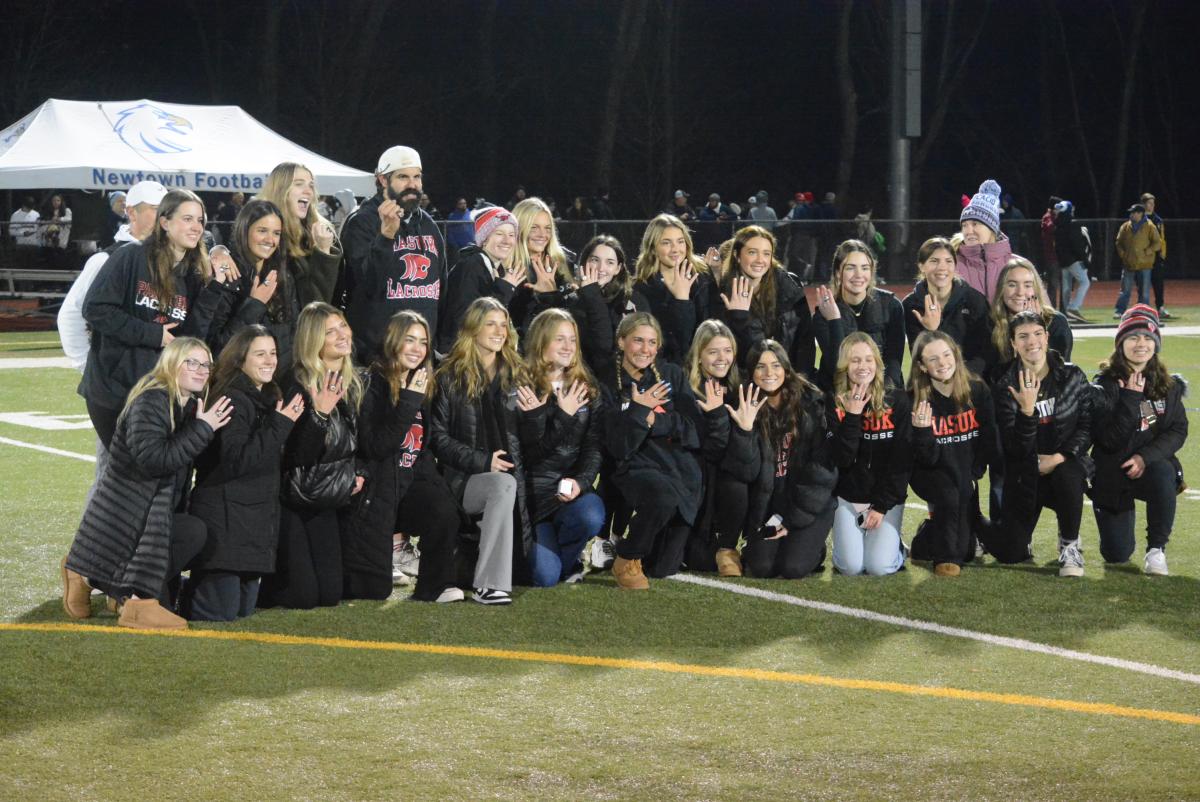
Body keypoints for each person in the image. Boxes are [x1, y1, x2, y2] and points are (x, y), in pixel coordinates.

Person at [61, 338, 232, 629]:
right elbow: (153, 460)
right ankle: (95, 579)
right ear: (171, 363)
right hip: (128, 512)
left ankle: (104, 583)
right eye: (192, 362)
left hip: (154, 514)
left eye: (206, 364)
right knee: (188, 535)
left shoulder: (187, 403)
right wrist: (203, 429)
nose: (202, 370)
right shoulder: (152, 399)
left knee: (193, 532)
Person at [81, 189, 229, 449]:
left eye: (200, 221)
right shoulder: (130, 257)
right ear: (164, 222)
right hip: (115, 391)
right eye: (187, 219)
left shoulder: (192, 276)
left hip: (158, 393)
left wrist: (214, 288)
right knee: (127, 477)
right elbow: (96, 308)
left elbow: (189, 338)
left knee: (153, 475)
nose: (196, 227)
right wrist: (153, 334)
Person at [340, 311, 464, 602]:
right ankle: (390, 554)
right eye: (409, 340)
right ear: (393, 341)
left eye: (423, 342)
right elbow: (375, 446)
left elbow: (421, 446)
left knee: (443, 509)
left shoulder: (422, 383)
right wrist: (408, 400)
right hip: (376, 490)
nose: (417, 349)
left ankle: (435, 587)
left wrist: (436, 487)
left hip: (408, 481)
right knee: (372, 591)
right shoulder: (371, 383)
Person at [183, 326, 305, 620]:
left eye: (273, 353)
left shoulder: (264, 395)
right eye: (260, 354)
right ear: (240, 360)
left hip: (251, 519)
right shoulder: (232, 399)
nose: (269, 360)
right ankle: (161, 593)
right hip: (225, 516)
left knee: (241, 611)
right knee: (218, 613)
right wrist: (281, 424)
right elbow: (237, 460)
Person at [58, 180, 168, 502]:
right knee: (113, 480)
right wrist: (89, 368)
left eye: (166, 211)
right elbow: (71, 315)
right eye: (153, 210)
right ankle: (92, 550)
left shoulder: (170, 259)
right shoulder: (107, 259)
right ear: (130, 212)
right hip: (117, 391)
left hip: (157, 388)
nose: (161, 218)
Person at [259, 303, 364, 610]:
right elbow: (293, 456)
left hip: (324, 498)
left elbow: (360, 445)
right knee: (302, 597)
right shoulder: (295, 382)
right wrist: (319, 414)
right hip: (291, 499)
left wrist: (358, 475)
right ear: (314, 341)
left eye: (342, 326)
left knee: (331, 595)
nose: (341, 335)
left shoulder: (352, 380)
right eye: (330, 332)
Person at [429, 297, 533, 604]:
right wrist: (482, 461)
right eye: (491, 324)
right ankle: (490, 585)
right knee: (503, 483)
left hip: (514, 484)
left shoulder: (518, 373)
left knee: (540, 572)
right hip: (464, 480)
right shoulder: (449, 375)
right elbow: (437, 438)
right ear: (473, 329)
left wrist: (538, 416)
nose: (499, 331)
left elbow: (531, 440)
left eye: (503, 325)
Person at [599, 313, 703, 588]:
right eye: (638, 341)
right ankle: (627, 556)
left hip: (678, 470)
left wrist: (655, 420)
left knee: (662, 568)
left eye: (652, 343)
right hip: (635, 468)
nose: (645, 349)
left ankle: (634, 538)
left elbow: (693, 430)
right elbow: (619, 446)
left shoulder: (671, 375)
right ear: (621, 342)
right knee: (662, 496)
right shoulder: (606, 382)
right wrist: (638, 410)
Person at [725, 340, 836, 580]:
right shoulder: (745, 405)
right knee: (762, 568)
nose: (769, 374)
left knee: (793, 568)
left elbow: (822, 471)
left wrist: (792, 518)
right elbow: (745, 472)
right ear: (751, 372)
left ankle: (813, 548)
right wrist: (744, 430)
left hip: (807, 501)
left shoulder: (810, 402)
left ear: (786, 369)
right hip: (770, 506)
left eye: (776, 365)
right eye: (760, 367)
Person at [993, 311, 1093, 576]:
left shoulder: (1072, 376)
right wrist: (1027, 412)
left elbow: (1087, 427)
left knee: (1068, 472)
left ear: (1047, 337)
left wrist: (1059, 457)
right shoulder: (1005, 386)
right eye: (1023, 336)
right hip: (1027, 474)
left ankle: (1070, 544)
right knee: (1011, 553)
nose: (1031, 342)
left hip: (1064, 467)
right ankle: (976, 524)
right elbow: (1013, 448)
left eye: (1037, 334)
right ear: (1013, 343)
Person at [1091, 306, 1186, 576]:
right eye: (1133, 337)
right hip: (1113, 474)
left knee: (1164, 470)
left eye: (1147, 338)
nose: (1140, 344)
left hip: (1148, 468)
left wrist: (1145, 457)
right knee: (1116, 554)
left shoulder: (1167, 384)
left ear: (1155, 344)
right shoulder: (1104, 384)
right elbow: (1108, 440)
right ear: (1121, 344)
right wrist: (1131, 398)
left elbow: (1177, 430)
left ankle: (1156, 550)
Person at [515, 309, 605, 586]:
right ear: (541, 342)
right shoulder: (520, 385)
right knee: (544, 577)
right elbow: (526, 455)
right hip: (533, 498)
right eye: (560, 339)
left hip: (568, 493)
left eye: (573, 340)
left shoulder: (586, 387)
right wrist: (563, 416)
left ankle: (567, 550)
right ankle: (548, 552)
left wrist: (580, 482)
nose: (568, 347)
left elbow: (594, 448)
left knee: (590, 514)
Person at [341, 146, 446, 362]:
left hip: (420, 356)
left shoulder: (429, 225)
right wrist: (386, 237)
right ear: (383, 180)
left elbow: (441, 290)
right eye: (403, 177)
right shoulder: (362, 222)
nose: (412, 185)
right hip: (376, 357)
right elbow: (366, 286)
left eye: (417, 177)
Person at [907, 331, 998, 576]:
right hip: (931, 473)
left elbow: (989, 439)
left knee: (967, 550)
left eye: (947, 355)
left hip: (966, 473)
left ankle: (926, 537)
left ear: (956, 356)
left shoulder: (977, 390)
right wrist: (923, 432)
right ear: (922, 366)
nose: (942, 363)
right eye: (933, 359)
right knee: (949, 495)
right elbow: (925, 459)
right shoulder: (914, 400)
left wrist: (975, 472)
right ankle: (945, 560)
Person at [828, 334, 911, 576]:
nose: (862, 367)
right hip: (848, 497)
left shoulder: (898, 400)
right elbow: (842, 459)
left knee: (878, 567)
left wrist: (882, 507)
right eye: (855, 360)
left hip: (885, 500)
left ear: (877, 363)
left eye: (868, 359)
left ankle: (896, 548)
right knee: (851, 567)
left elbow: (902, 463)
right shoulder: (832, 402)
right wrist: (853, 416)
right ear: (845, 365)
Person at [683, 320, 748, 575]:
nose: (722, 358)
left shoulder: (739, 388)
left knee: (737, 481)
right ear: (699, 356)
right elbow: (708, 450)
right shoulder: (687, 392)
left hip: (729, 479)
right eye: (713, 352)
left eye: (727, 350)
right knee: (698, 561)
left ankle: (728, 545)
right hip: (697, 480)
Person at [207, 199, 302, 369]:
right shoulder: (226, 276)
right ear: (245, 230)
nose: (270, 240)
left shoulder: (283, 276)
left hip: (278, 382)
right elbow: (216, 348)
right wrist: (254, 305)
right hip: (234, 383)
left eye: (276, 233)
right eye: (262, 231)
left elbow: (291, 336)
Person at [716, 224, 815, 377]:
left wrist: (801, 380)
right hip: (745, 383)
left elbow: (806, 343)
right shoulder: (721, 293)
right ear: (737, 255)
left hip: (789, 378)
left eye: (766, 254)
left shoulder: (790, 287)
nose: (760, 260)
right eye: (752, 252)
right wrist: (739, 318)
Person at [812, 239, 905, 391]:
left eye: (864, 268)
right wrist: (834, 319)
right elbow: (836, 367)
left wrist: (881, 396)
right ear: (837, 273)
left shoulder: (891, 306)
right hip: (839, 395)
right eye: (850, 268)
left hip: (882, 392)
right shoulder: (824, 313)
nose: (858, 275)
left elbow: (894, 362)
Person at [259, 161, 342, 317]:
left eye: (311, 185)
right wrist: (219, 250)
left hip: (315, 331)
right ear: (280, 189)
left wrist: (324, 251)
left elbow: (322, 302)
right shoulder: (266, 236)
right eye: (299, 184)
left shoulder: (321, 233)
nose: (308, 191)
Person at [438, 205, 523, 352]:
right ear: (484, 238)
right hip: (460, 356)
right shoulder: (471, 266)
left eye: (511, 235)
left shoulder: (491, 266)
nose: (506, 240)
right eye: (499, 233)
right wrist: (503, 290)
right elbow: (465, 318)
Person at [901, 236, 990, 376]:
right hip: (930, 382)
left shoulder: (974, 300)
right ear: (921, 266)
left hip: (970, 381)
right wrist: (931, 331)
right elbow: (918, 358)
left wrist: (960, 379)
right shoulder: (910, 305)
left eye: (948, 261)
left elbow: (984, 353)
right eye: (934, 261)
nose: (942, 267)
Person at [632, 214, 710, 365]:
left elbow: (705, 332)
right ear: (653, 248)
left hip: (697, 367)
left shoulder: (702, 278)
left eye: (680, 242)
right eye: (666, 243)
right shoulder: (641, 288)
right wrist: (680, 300)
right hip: (661, 368)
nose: (675, 249)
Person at [983, 257, 1073, 383]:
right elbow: (992, 375)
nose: (1020, 292)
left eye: (1027, 285)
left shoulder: (1056, 322)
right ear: (1001, 289)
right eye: (1012, 285)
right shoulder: (989, 324)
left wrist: (1036, 326)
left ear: (1035, 289)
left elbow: (1060, 372)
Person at [572, 235, 649, 377]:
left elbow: (605, 346)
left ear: (618, 268)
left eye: (610, 262)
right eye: (595, 260)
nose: (601, 268)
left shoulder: (632, 301)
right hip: (579, 376)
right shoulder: (572, 301)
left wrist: (592, 295)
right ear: (584, 262)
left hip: (617, 379)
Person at [509, 197, 576, 334]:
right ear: (519, 229)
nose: (542, 235)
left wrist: (552, 296)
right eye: (534, 228)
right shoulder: (506, 267)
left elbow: (573, 316)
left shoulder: (564, 263)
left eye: (547, 228)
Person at [956, 179, 1016, 300]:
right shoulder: (951, 265)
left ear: (991, 228)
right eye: (964, 225)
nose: (968, 231)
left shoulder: (1018, 267)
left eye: (975, 224)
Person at [1113, 203, 1162, 318]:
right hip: (1129, 263)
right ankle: (1120, 311)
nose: (1131, 214)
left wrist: (1147, 252)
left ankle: (1143, 312)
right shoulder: (1125, 226)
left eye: (1134, 212)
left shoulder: (1150, 226)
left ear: (1140, 214)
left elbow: (1157, 243)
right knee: (1125, 290)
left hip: (1145, 264)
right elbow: (1118, 243)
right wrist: (1123, 254)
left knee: (1144, 292)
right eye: (1131, 212)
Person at [1052, 200, 1092, 322]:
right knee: (1085, 282)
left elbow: (1057, 246)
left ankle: (1065, 313)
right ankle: (1073, 308)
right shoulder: (1073, 224)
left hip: (1063, 261)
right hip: (1073, 260)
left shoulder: (1057, 226)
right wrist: (1085, 260)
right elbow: (1077, 245)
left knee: (1066, 287)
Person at [1141, 193, 1169, 319]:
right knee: (1143, 285)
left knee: (1158, 283)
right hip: (1143, 258)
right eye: (1149, 203)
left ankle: (1160, 307)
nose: (1151, 206)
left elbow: (1162, 239)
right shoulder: (1139, 219)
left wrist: (1162, 255)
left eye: (1153, 203)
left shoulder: (1158, 220)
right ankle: (1142, 309)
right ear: (1143, 204)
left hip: (1156, 258)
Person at [445, 197, 475, 264]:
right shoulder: (452, 216)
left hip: (471, 245)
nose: (463, 205)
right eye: (461, 204)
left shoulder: (472, 214)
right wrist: (454, 244)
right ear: (457, 205)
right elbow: (449, 232)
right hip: (458, 247)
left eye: (464, 203)